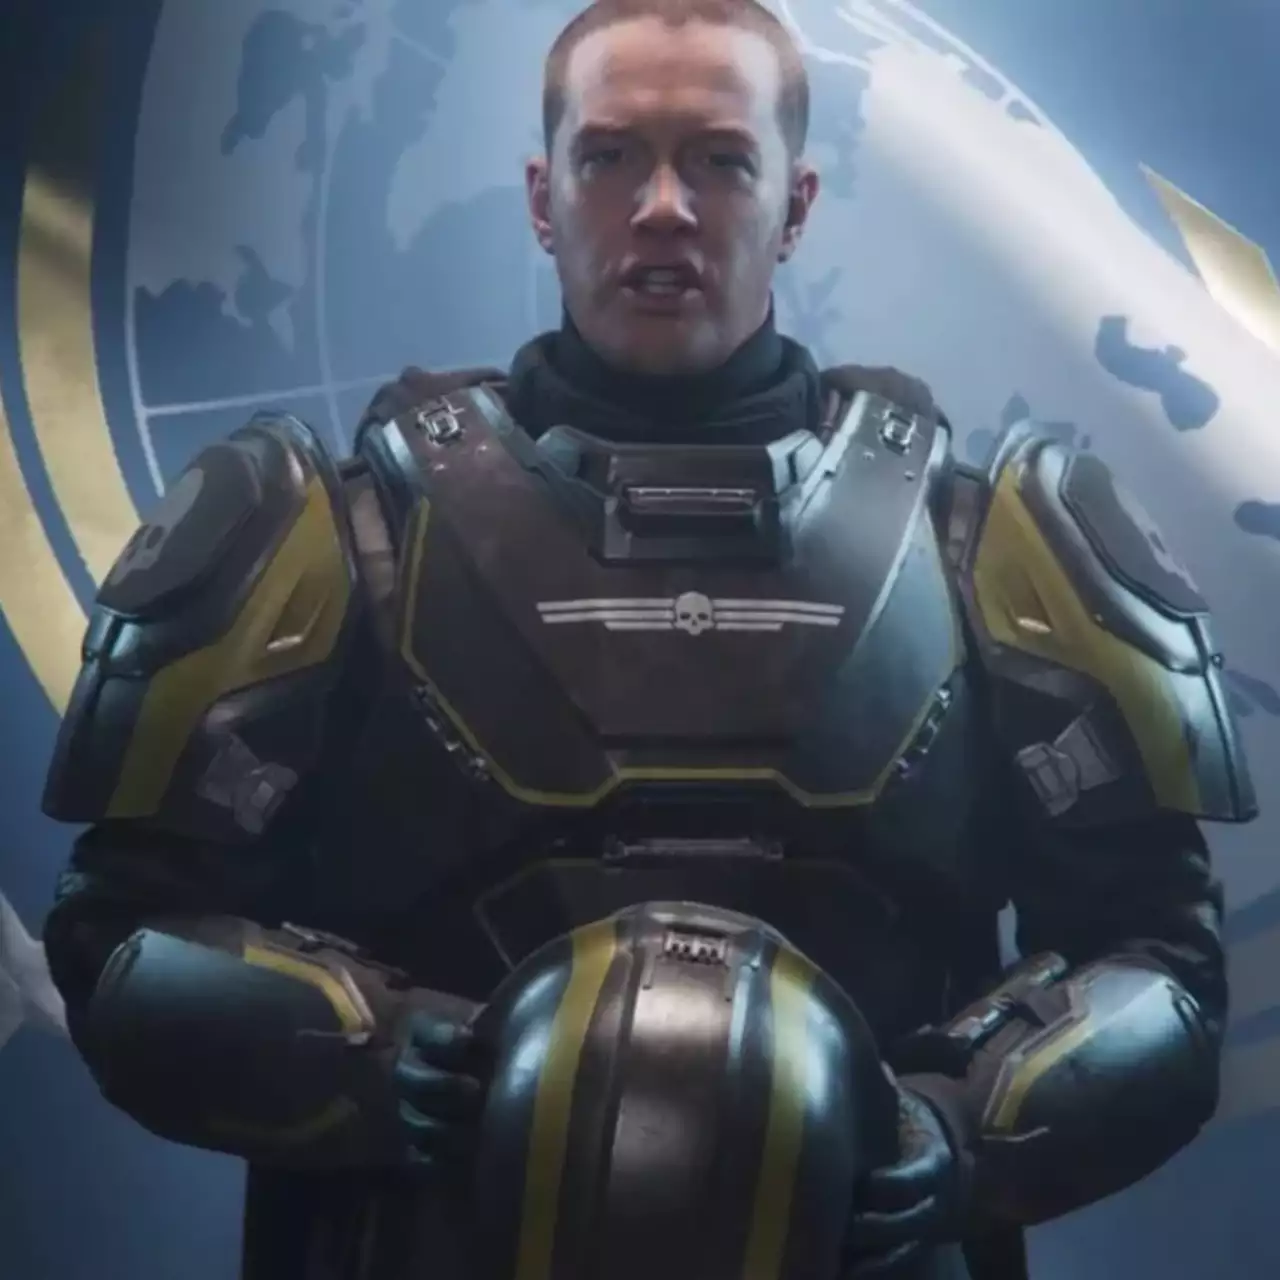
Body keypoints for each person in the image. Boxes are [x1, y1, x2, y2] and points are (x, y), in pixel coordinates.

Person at [40, 1, 1255, 1278]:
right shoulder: (344, 533)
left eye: (718, 159)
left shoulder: (982, 540)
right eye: (610, 155)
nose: (662, 206)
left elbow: (1160, 965)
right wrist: (380, 1058)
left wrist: (954, 1131)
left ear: (794, 204)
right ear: (541, 196)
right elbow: (125, 935)